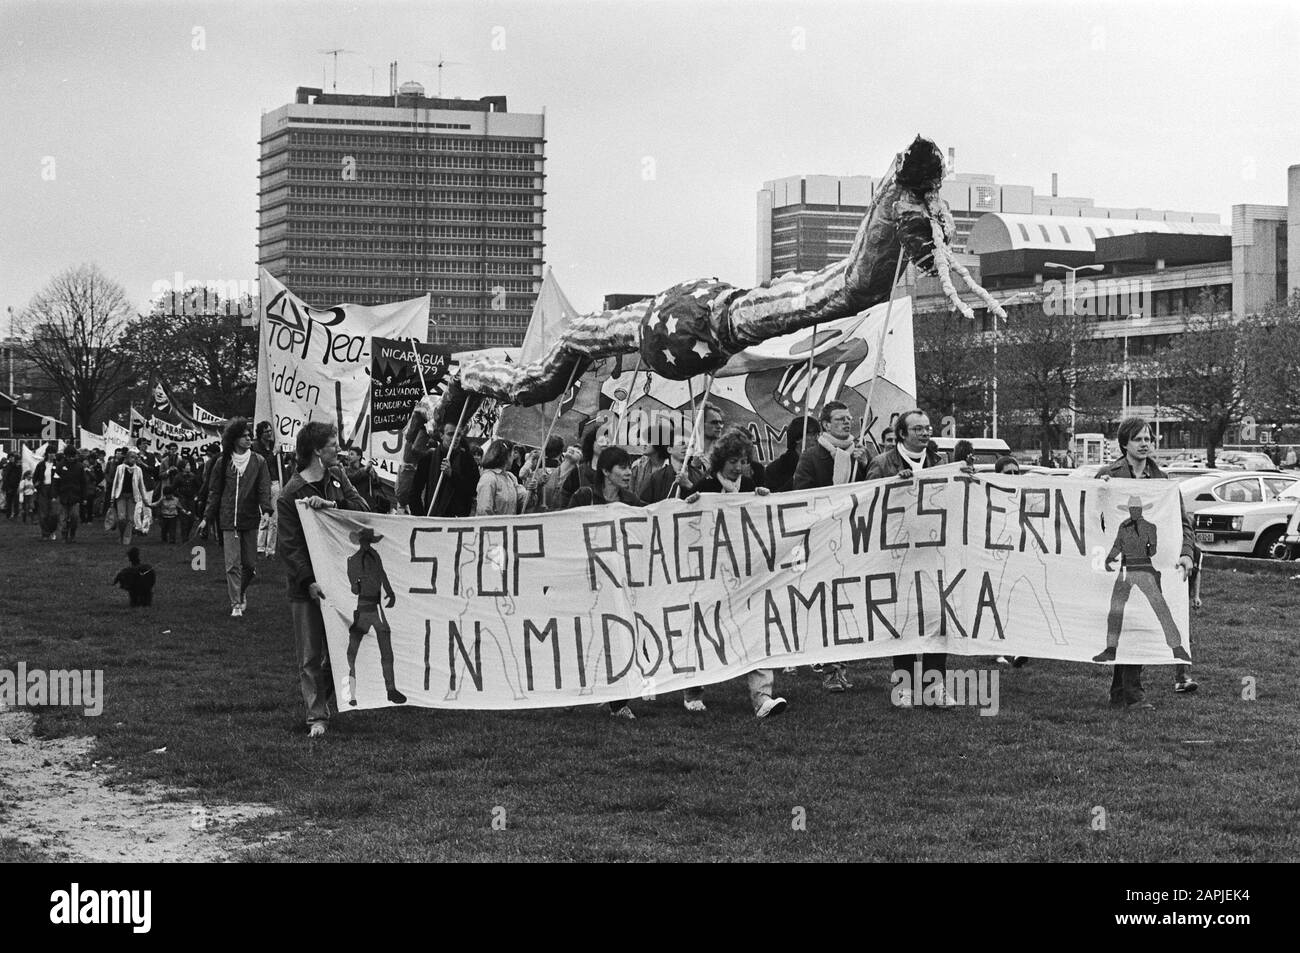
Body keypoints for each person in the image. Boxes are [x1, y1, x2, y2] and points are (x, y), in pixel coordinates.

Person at [681, 430, 787, 719]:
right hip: (712, 574)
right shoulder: (705, 487)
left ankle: (762, 697)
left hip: (747, 572)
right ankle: (693, 690)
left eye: (742, 461)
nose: (738, 467)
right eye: (732, 461)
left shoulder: (753, 485)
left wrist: (765, 501)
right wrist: (690, 502)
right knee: (706, 630)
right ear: (720, 461)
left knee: (756, 628)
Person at [1092, 416, 1196, 709]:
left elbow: (1181, 522)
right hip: (1123, 566)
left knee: (1151, 616)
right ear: (1124, 443)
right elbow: (1090, 519)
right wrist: (1099, 494)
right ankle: (1121, 691)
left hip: (1148, 567)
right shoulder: (1106, 476)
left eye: (1148, 438)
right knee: (1118, 616)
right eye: (1138, 438)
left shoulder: (1162, 482)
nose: (1145, 443)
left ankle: (1133, 693)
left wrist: (1187, 552)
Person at [277, 422, 369, 737]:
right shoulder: (292, 493)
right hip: (308, 587)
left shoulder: (338, 478)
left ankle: (322, 697)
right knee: (310, 653)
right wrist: (307, 582)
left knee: (348, 645)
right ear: (317, 451)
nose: (338, 450)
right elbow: (290, 547)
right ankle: (316, 716)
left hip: (342, 579)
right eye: (332, 444)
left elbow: (362, 510)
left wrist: (334, 507)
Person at [864, 409, 951, 707]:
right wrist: (893, 488)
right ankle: (904, 686)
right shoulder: (881, 464)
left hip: (931, 553)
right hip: (897, 555)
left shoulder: (940, 463)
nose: (925, 433)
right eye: (917, 429)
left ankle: (934, 687)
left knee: (936, 619)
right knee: (903, 620)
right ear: (902, 434)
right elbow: (870, 504)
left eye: (928, 428)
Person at [793, 401, 873, 693]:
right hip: (823, 538)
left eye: (849, 418)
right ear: (825, 425)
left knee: (847, 602)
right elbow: (800, 493)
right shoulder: (811, 457)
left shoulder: (860, 455)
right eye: (840, 419)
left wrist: (863, 466)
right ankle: (828, 667)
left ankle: (841, 666)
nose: (847, 423)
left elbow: (872, 491)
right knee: (826, 604)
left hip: (852, 536)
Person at [568, 445, 645, 719]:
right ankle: (578, 688)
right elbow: (562, 530)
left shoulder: (631, 501)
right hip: (587, 581)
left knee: (620, 636)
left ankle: (618, 702)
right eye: (622, 467)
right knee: (587, 638)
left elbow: (654, 520)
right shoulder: (584, 497)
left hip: (618, 583)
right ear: (605, 471)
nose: (628, 472)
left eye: (629, 467)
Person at [198, 418, 273, 618]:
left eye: (250, 436)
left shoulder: (259, 461)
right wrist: (206, 517)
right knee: (232, 564)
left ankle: (240, 591)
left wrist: (266, 510)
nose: (249, 439)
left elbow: (264, 488)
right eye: (245, 436)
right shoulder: (222, 462)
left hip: (249, 519)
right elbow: (214, 492)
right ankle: (236, 603)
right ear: (234, 439)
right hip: (228, 518)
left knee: (249, 565)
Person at [343, 527, 406, 707]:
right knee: (352, 652)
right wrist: (358, 583)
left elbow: (382, 573)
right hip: (363, 608)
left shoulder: (375, 556)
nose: (367, 544)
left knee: (386, 649)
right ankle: (351, 692)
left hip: (376, 608)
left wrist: (390, 592)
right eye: (365, 541)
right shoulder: (353, 560)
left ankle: (391, 689)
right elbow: (354, 588)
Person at [410, 420, 479, 517]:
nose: (455, 438)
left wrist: (452, 475)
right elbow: (414, 492)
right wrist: (421, 518)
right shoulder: (428, 458)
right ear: (441, 435)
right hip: (433, 519)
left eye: (458, 435)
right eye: (450, 434)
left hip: (458, 521)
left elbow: (473, 490)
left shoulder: (467, 459)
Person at [560, 418, 613, 507]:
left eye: (608, 441)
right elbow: (565, 499)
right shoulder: (578, 472)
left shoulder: (615, 472)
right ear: (591, 444)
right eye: (601, 440)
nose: (605, 444)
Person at [765, 417, 820, 493]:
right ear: (798, 438)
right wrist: (795, 479)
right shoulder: (775, 469)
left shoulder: (822, 463)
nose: (817, 439)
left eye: (818, 435)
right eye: (813, 434)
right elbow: (773, 498)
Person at [474, 439, 525, 516]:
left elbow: (524, 501)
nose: (513, 458)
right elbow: (484, 510)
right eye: (511, 454)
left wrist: (533, 488)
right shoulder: (488, 478)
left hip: (509, 525)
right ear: (506, 456)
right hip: (494, 527)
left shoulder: (511, 477)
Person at [109, 449, 147, 545]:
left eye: (135, 458)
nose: (134, 459)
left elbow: (141, 485)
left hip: (132, 497)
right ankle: (120, 534)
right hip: (121, 495)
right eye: (132, 457)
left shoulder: (138, 470)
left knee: (130, 519)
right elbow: (115, 483)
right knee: (121, 518)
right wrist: (112, 496)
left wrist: (144, 498)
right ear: (127, 458)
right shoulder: (120, 468)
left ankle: (127, 538)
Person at [54, 449, 86, 542]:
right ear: (66, 456)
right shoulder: (60, 466)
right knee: (63, 518)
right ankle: (64, 535)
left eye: (73, 456)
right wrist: (54, 494)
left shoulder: (80, 467)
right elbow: (55, 481)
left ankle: (72, 534)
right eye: (69, 456)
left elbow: (83, 483)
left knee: (75, 517)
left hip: (75, 496)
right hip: (63, 495)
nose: (71, 458)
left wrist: (84, 497)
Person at [33, 448, 60, 540]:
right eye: (51, 453)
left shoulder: (58, 465)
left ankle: (52, 531)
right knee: (43, 514)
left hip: (54, 490)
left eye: (54, 453)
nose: (53, 455)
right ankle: (45, 533)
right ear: (47, 454)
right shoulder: (40, 465)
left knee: (54, 513)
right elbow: (35, 478)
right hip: (43, 490)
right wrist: (37, 485)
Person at [2, 455, 20, 520]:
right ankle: (8, 515)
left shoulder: (17, 466)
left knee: (16, 501)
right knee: (9, 501)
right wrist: (6, 487)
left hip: (15, 486)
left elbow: (18, 476)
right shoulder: (7, 466)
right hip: (9, 486)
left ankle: (16, 514)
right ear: (9, 458)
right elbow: (5, 477)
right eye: (11, 457)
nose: (12, 458)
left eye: (13, 457)